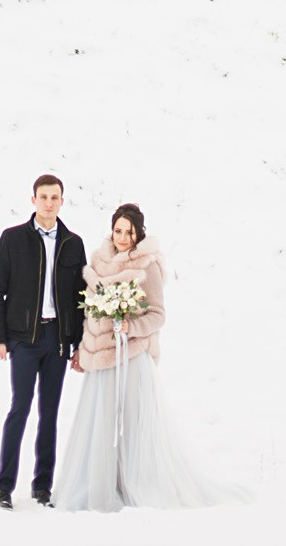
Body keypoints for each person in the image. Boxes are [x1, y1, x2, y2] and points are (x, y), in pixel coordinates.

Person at [54, 202, 229, 512]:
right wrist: (83, 347)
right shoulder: (98, 262)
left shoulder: (147, 265)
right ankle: (100, 486)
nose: (122, 237)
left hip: (132, 357)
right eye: (118, 230)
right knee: (101, 422)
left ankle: (139, 484)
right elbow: (90, 314)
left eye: (129, 232)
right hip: (101, 358)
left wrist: (129, 326)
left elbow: (158, 315)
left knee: (133, 421)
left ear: (138, 234)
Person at [0, 173, 87, 509]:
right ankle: (3, 487)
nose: (48, 203)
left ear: (62, 201)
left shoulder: (73, 243)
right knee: (20, 408)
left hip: (57, 341)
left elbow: (81, 298)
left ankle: (42, 487)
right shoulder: (12, 239)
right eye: (43, 197)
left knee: (50, 413)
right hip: (23, 341)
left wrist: (78, 346)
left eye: (54, 197)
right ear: (33, 200)